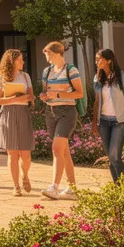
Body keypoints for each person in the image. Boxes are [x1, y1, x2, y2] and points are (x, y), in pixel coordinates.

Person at [38, 41, 84, 201]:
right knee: (63, 151)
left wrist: (58, 95)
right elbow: (46, 91)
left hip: (67, 112)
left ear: (55, 53)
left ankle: (54, 187)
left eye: (47, 54)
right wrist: (45, 96)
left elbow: (79, 93)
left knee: (57, 148)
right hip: (50, 112)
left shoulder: (71, 70)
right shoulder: (47, 71)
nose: (46, 57)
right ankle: (72, 189)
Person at [0, 49, 35, 197]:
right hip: (8, 114)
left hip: (23, 113)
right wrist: (15, 99)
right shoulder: (1, 78)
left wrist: (26, 97)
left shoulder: (25, 76)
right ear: (12, 62)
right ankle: (16, 186)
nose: (23, 62)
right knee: (12, 153)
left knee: (26, 154)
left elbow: (31, 96)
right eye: (20, 60)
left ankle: (25, 176)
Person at [93, 48, 124, 183]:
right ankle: (118, 188)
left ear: (109, 60)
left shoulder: (123, 77)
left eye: (99, 59)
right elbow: (97, 101)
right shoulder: (97, 78)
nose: (97, 62)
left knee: (114, 156)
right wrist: (94, 122)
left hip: (120, 122)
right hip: (103, 122)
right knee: (110, 156)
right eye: (96, 59)